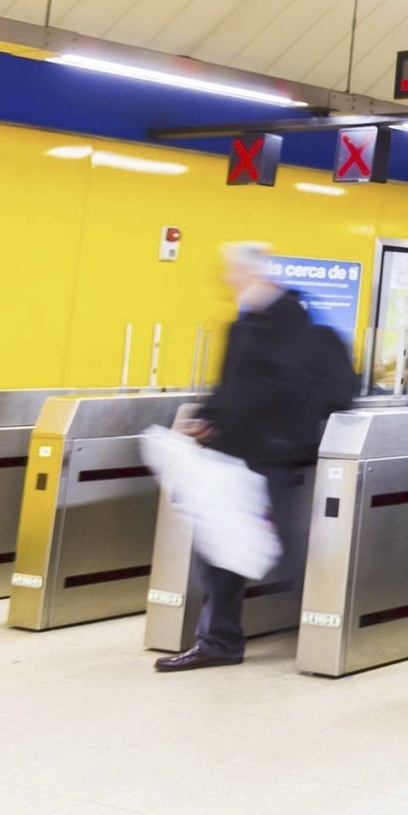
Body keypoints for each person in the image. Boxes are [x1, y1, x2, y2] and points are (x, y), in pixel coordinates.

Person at [155, 243, 327, 672]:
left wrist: (219, 418)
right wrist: (207, 416)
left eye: (234, 274)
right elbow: (233, 383)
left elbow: (274, 383)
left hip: (273, 452)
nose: (228, 282)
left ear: (254, 274)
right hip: (239, 451)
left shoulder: (290, 320)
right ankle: (219, 639)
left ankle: (320, 623)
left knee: (263, 545)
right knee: (222, 546)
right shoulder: (246, 322)